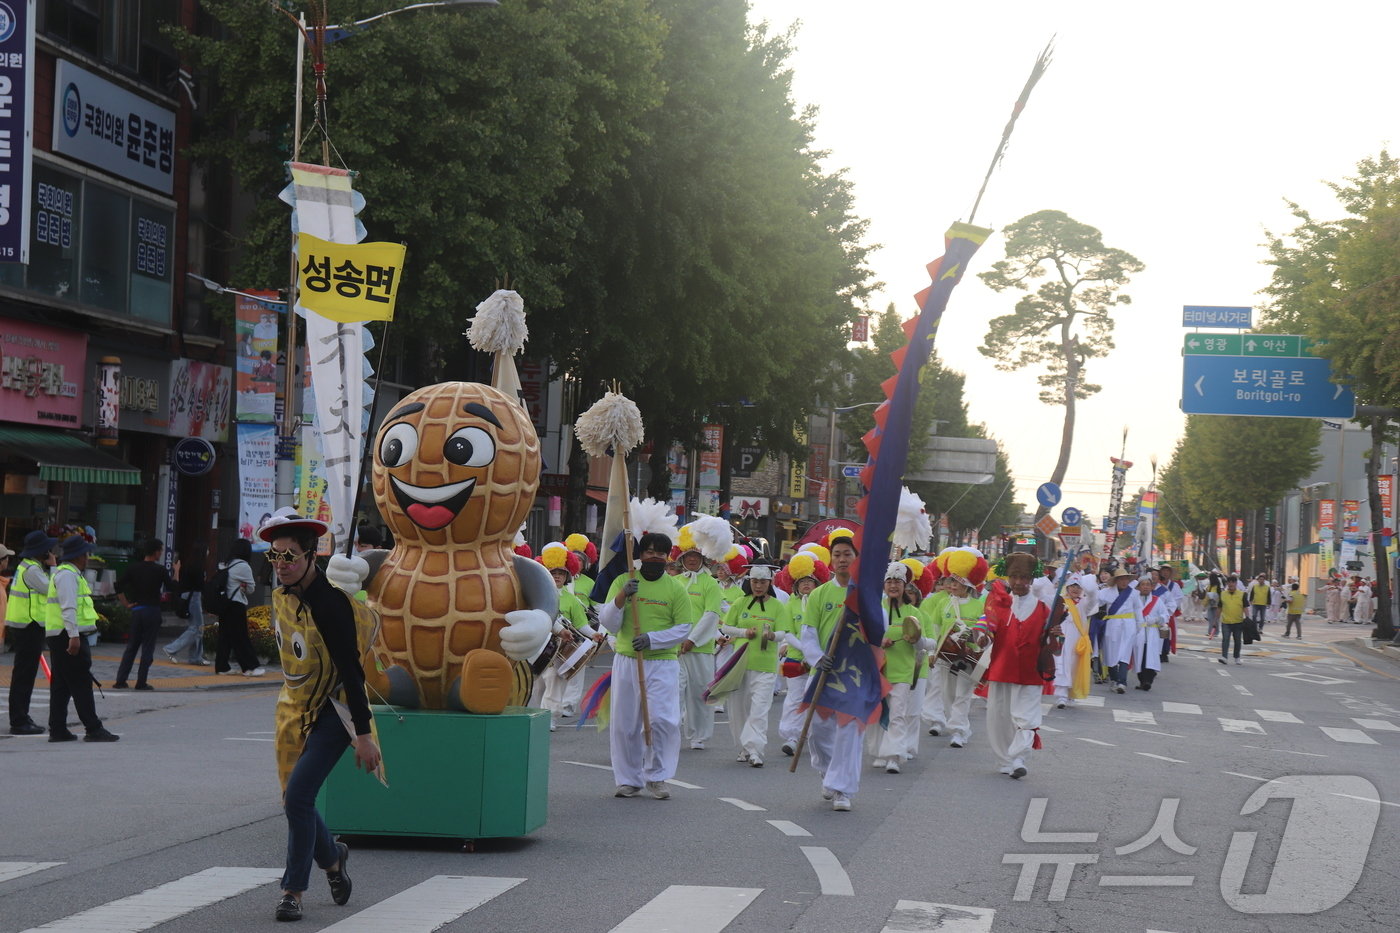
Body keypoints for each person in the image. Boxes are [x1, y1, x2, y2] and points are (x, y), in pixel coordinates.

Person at [260, 512, 380, 923]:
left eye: (289, 556)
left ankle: (292, 891)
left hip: (336, 710)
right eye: (273, 557)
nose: (281, 564)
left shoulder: (331, 605)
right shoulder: (282, 596)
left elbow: (351, 670)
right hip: (295, 707)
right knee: (295, 800)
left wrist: (363, 736)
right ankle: (332, 858)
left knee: (298, 797)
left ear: (312, 556)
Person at [598, 531, 695, 800]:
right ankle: (629, 779)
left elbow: (684, 627)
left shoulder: (676, 588)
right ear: (640, 555)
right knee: (625, 723)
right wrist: (621, 597)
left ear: (667, 557)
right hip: (628, 661)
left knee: (663, 720)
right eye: (649, 552)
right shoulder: (623, 580)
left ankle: (657, 776)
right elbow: (608, 622)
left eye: (660, 553)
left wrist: (652, 639)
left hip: (662, 663)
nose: (654, 557)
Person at [799, 531, 865, 811]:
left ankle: (843, 789)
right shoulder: (819, 594)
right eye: (836, 555)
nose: (841, 559)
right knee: (819, 730)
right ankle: (827, 772)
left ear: (855, 558)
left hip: (854, 674)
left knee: (849, 732)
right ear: (830, 559)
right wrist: (817, 658)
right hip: (825, 672)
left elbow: (878, 628)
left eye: (847, 554)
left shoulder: (865, 593)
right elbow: (808, 632)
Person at [982, 552, 1062, 779]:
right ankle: (1005, 760)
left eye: (1024, 577)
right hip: (1001, 668)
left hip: (1030, 672)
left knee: (1026, 718)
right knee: (999, 718)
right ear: (1007, 577)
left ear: (1032, 579)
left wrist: (1056, 636)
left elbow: (1054, 648)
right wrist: (980, 637)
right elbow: (986, 632)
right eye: (1014, 577)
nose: (1018, 582)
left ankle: (1018, 757)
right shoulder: (998, 605)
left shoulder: (1045, 609)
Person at [44, 535, 119, 742]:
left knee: (61, 685)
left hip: (61, 635)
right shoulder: (68, 576)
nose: (88, 557)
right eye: (85, 553)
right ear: (78, 556)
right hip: (68, 636)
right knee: (80, 682)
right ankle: (93, 728)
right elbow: (68, 607)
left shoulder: (66, 573)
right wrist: (74, 636)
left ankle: (57, 729)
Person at [718, 564, 788, 767]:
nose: (758, 586)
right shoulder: (740, 602)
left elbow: (784, 632)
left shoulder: (777, 606)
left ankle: (755, 750)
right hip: (740, 663)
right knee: (739, 708)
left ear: (769, 583)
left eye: (763, 582)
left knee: (759, 709)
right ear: (750, 582)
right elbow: (726, 626)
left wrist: (773, 636)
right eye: (755, 581)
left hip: (766, 666)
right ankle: (744, 747)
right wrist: (743, 633)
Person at [868, 562, 935, 774]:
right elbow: (864, 637)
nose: (893, 586)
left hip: (903, 671)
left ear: (905, 586)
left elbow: (931, 643)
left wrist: (916, 640)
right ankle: (879, 751)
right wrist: (880, 643)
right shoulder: (875, 610)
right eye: (889, 581)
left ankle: (894, 756)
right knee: (877, 713)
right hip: (878, 670)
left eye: (897, 581)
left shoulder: (914, 612)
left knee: (897, 713)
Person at [922, 560, 988, 746]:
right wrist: (932, 652)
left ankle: (959, 731)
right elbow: (934, 629)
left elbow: (985, 632)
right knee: (948, 694)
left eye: (956, 583)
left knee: (962, 694)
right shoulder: (944, 603)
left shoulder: (979, 605)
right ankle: (957, 724)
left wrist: (974, 639)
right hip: (945, 657)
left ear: (966, 585)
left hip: (969, 657)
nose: (951, 585)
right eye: (951, 582)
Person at [6, 531, 56, 735]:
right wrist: (53, 566)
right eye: (47, 549)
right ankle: (19, 721)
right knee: (24, 676)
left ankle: (21, 717)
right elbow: (52, 589)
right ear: (40, 551)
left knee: (24, 674)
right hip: (30, 626)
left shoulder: (27, 566)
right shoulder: (33, 570)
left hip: (26, 626)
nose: (50, 552)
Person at [675, 542, 722, 751]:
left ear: (703, 558)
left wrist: (692, 640)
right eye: (688, 555)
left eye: (695, 555)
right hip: (674, 649)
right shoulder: (674, 582)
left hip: (700, 649)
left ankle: (698, 736)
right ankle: (669, 731)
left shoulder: (710, 584)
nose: (692, 559)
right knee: (673, 690)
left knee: (699, 693)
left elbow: (711, 614)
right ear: (681, 559)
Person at [113, 539, 178, 690]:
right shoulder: (160, 570)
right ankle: (141, 681)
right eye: (160, 551)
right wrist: (177, 571)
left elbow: (118, 585)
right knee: (148, 647)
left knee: (132, 647)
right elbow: (173, 587)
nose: (161, 553)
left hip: (137, 610)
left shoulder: (133, 568)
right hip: (153, 611)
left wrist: (126, 603)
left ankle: (120, 680)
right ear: (155, 552)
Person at [215, 539, 264, 676]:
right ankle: (251, 667)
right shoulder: (243, 566)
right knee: (241, 636)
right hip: (236, 605)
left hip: (224, 603)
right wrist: (243, 586)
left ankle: (222, 666)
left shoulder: (225, 564)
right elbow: (251, 588)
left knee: (225, 636)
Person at [1098, 567, 1143, 694]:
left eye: (1126, 579)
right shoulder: (1106, 592)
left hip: (1128, 625)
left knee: (1125, 653)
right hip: (1112, 624)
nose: (1124, 582)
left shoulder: (1134, 593)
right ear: (1116, 580)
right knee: (1111, 652)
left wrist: (1139, 625)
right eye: (1121, 579)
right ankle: (1114, 679)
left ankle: (1122, 681)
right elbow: (1094, 602)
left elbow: (1138, 609)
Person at [165, 546, 209, 664]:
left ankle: (195, 657)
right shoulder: (198, 567)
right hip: (194, 597)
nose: (208, 552)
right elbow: (201, 585)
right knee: (197, 627)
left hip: (186, 596)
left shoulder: (187, 565)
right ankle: (171, 648)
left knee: (196, 627)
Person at [1132, 576, 1168, 691]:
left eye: (1148, 584)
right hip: (1138, 632)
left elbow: (1165, 615)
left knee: (1150, 657)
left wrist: (1157, 619)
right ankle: (1142, 681)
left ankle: (1148, 681)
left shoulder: (1157, 600)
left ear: (1152, 587)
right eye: (1143, 584)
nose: (1146, 587)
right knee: (1139, 658)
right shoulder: (1134, 599)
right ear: (1138, 587)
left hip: (1152, 632)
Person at [1219, 575, 1248, 665]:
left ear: (1236, 583)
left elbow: (1245, 607)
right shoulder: (1222, 594)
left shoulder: (1242, 594)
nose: (1231, 584)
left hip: (1238, 621)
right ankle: (1224, 657)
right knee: (1225, 639)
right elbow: (1219, 607)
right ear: (1227, 583)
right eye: (1229, 582)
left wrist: (1248, 618)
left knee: (1237, 640)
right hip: (1226, 621)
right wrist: (1215, 621)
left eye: (1233, 582)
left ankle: (1237, 657)